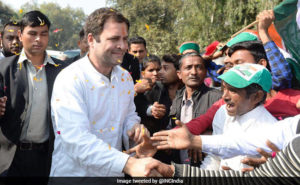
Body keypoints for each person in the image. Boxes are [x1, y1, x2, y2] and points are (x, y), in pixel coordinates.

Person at [49, 8, 155, 179]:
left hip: (113, 175)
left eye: (124, 39)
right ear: (91, 39)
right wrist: (128, 164)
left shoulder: (124, 78)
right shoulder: (70, 79)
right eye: (114, 39)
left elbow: (128, 115)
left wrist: (135, 130)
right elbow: (76, 140)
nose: (123, 46)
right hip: (75, 176)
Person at [0, 11, 67, 178]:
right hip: (9, 159)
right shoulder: (4, 68)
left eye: (43, 34)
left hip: (47, 158)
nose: (38, 39)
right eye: (32, 33)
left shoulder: (63, 71)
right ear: (20, 35)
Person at [200, 63, 277, 171]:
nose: (224, 97)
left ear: (257, 96)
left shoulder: (271, 130)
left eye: (233, 90)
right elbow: (215, 157)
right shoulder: (222, 112)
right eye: (224, 88)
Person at [168, 52, 222, 164]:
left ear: (205, 72)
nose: (193, 72)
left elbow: (229, 133)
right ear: (179, 74)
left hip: (208, 165)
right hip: (180, 165)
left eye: (199, 67)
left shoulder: (218, 98)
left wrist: (201, 139)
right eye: (188, 68)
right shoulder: (178, 98)